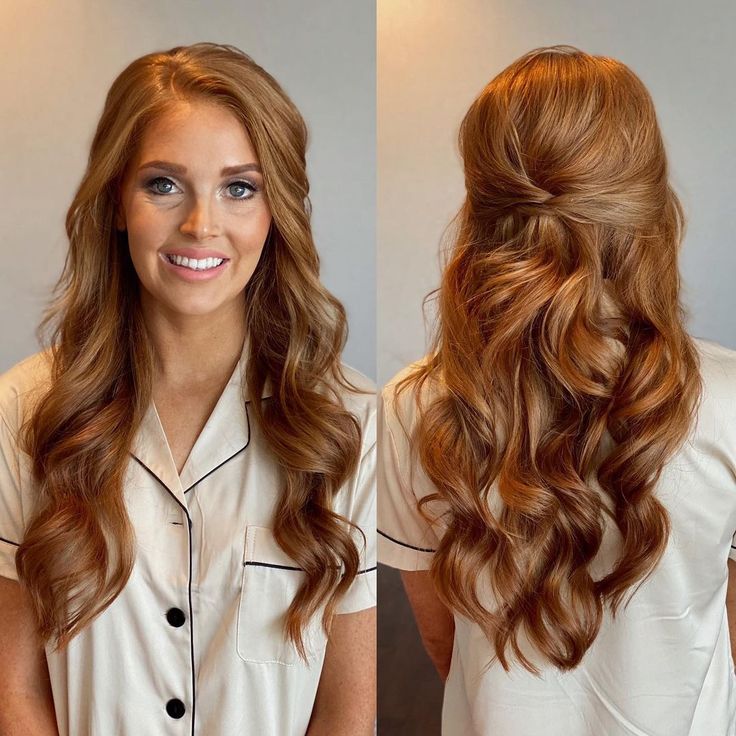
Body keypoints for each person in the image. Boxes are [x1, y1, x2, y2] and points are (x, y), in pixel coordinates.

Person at [0, 42, 376, 736]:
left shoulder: (352, 421)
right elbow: (15, 691)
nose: (202, 225)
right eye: (163, 184)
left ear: (277, 210)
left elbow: (349, 710)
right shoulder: (23, 410)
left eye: (240, 187)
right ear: (117, 200)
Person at [378, 45, 736, 735]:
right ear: (650, 202)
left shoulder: (410, 410)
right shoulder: (729, 403)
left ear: (481, 201)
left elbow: (441, 642)